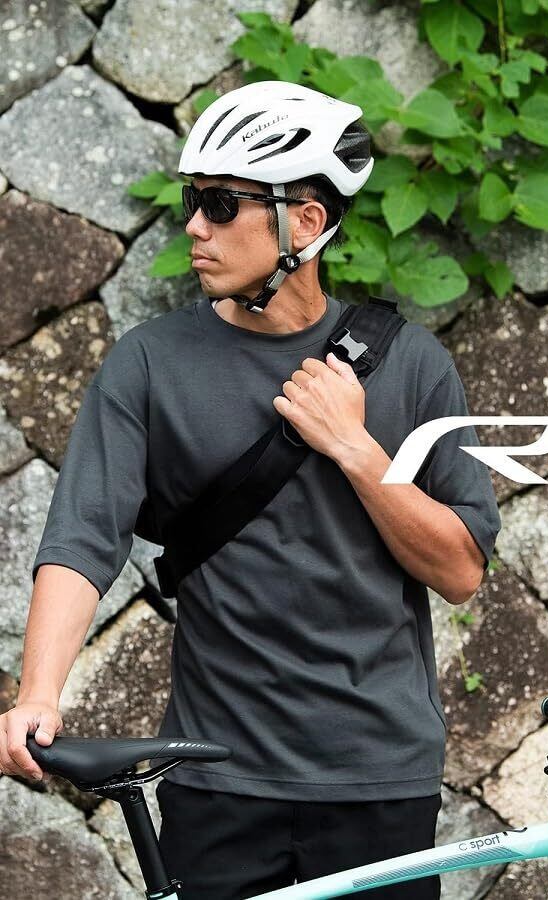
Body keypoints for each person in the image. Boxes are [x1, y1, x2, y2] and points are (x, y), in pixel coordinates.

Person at [0, 81, 501, 899]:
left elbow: (461, 570)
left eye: (222, 204)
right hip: (215, 778)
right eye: (192, 201)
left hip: (377, 778)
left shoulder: (411, 366)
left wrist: (355, 447)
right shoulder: (150, 365)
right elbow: (84, 537)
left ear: (305, 221)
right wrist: (37, 695)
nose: (195, 226)